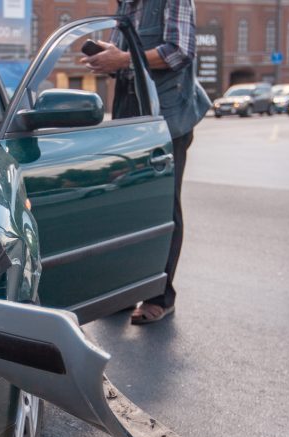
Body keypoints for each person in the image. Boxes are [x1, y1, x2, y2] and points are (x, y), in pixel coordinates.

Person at [81, 0, 210, 324]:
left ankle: (160, 296)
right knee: (127, 207)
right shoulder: (127, 4)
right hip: (132, 117)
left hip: (168, 119)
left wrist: (123, 58)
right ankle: (126, 290)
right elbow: (124, 57)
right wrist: (109, 59)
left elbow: (179, 50)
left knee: (162, 207)